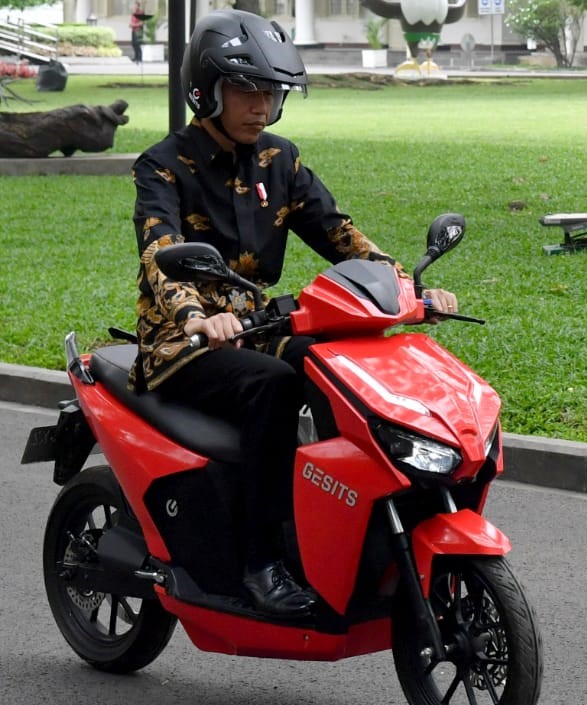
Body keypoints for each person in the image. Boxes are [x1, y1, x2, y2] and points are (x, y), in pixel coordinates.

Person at [129, 9, 457, 617]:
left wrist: (408, 290)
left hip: (259, 327)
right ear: (207, 91)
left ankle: (348, 519)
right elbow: (160, 250)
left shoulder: (281, 161)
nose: (261, 106)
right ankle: (260, 561)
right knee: (278, 387)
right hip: (186, 343)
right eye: (247, 91)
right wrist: (196, 315)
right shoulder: (163, 165)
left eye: (271, 93)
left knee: (344, 367)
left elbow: (340, 234)